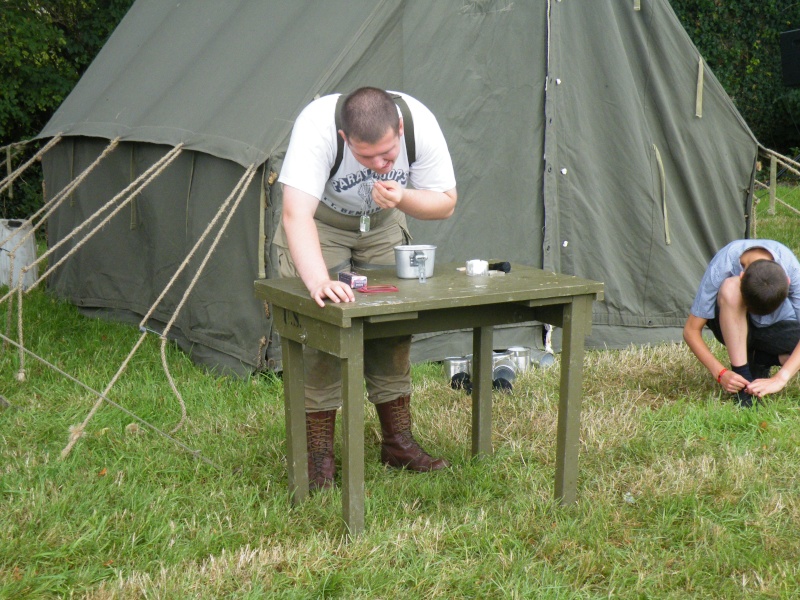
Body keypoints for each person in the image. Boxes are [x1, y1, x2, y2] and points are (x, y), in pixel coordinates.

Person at [274, 87, 458, 490]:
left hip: (383, 224)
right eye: (366, 156)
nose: (379, 165)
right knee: (322, 329)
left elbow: (446, 202)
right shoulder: (316, 127)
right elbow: (295, 214)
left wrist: (404, 196)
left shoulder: (419, 123)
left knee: (392, 326)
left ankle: (397, 443)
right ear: (344, 138)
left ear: (400, 127)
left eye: (388, 156)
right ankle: (318, 456)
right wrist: (320, 281)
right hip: (320, 226)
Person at [683, 239, 800, 408]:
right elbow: (691, 330)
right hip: (732, 329)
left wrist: (780, 378)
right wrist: (720, 373)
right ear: (742, 275)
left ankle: (761, 358)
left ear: (787, 281)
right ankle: (742, 379)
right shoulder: (723, 264)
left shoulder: (792, 268)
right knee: (730, 288)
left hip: (775, 330)